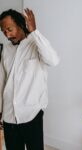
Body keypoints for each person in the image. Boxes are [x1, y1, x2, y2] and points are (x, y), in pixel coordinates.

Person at [0, 8, 59, 150]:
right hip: (9, 116)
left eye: (9, 29)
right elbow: (2, 80)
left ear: (20, 24)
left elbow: (54, 61)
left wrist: (35, 33)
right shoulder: (7, 49)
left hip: (31, 114)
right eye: (3, 31)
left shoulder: (36, 43)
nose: (7, 35)